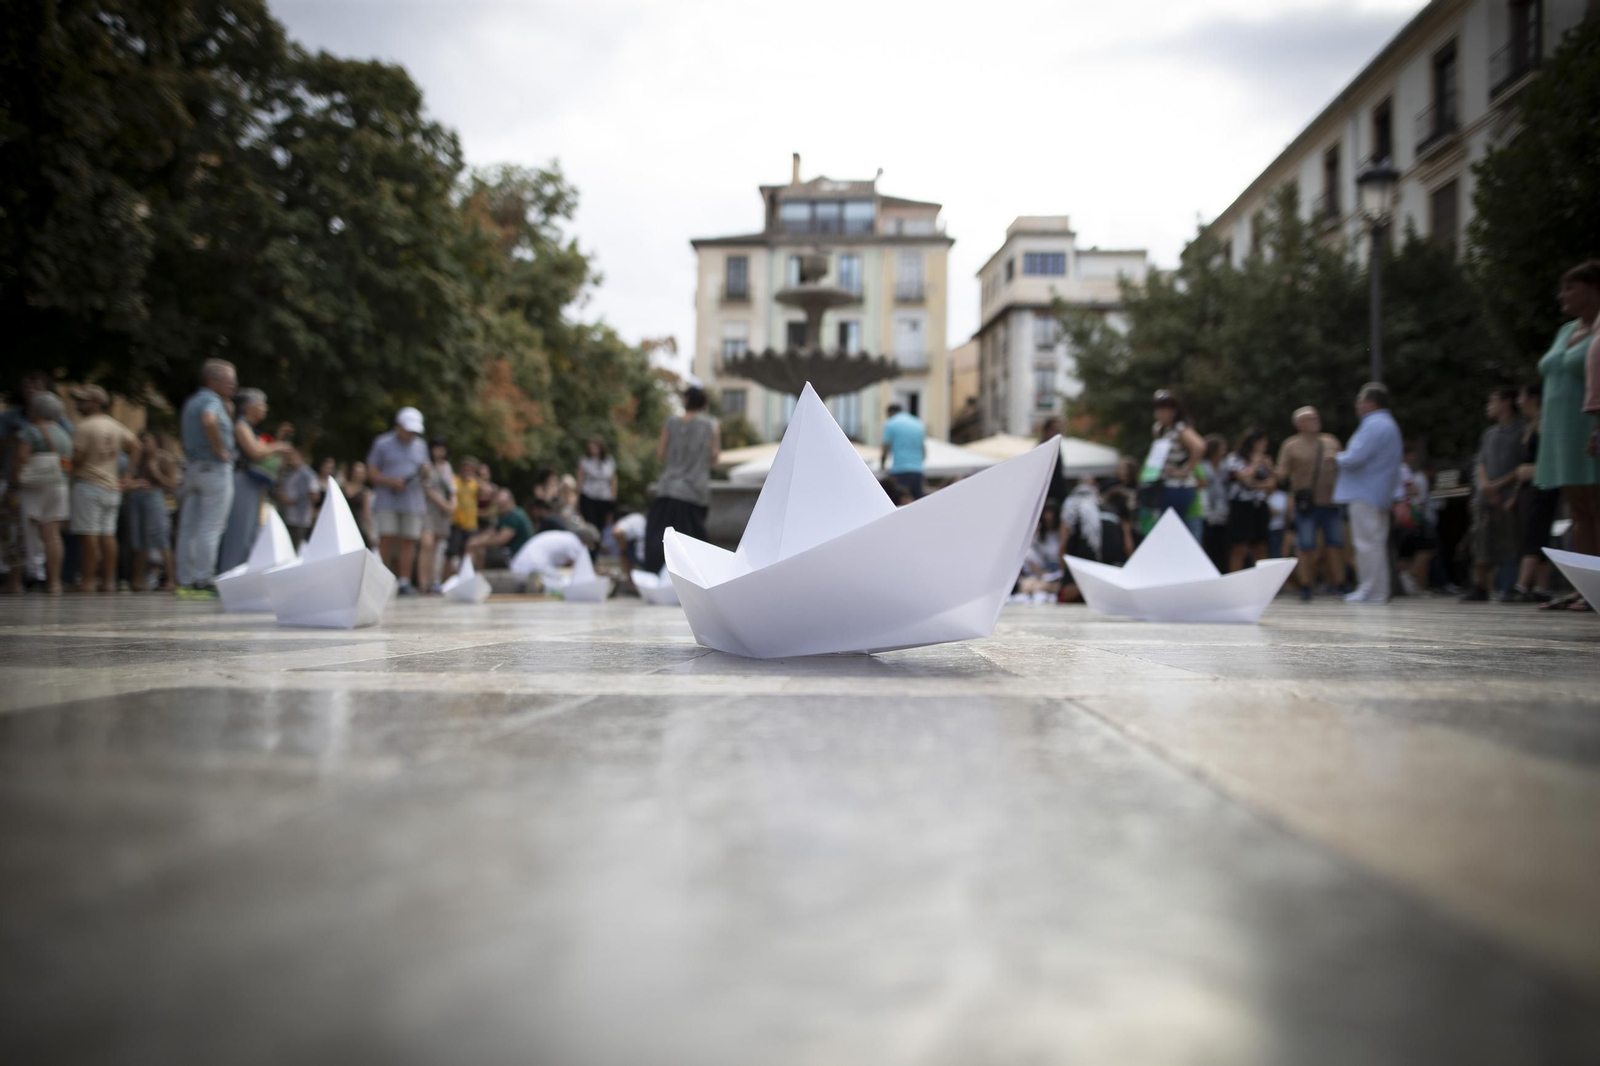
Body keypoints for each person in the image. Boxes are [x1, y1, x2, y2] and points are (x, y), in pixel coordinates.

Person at [1534, 260, 1600, 611]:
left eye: (1570, 288)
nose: (1562, 296)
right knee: (1577, 510)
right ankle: (1586, 587)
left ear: (1594, 288)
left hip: (1587, 424)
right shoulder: (1566, 330)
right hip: (1560, 431)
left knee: (1595, 506)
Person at [1333, 382, 1404, 604]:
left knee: (1366, 544)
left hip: (1364, 492)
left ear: (1370, 402)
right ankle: (1378, 590)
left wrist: (1335, 458)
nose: (1357, 405)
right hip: (1379, 493)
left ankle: (1369, 589)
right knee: (1376, 543)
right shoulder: (1389, 424)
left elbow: (1354, 458)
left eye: (1360, 400)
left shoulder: (1373, 425)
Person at [66, 385, 139, 593]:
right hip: (112, 486)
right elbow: (136, 446)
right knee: (108, 535)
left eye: (83, 400)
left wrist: (69, 465)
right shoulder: (116, 425)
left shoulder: (84, 427)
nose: (78, 404)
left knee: (89, 535)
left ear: (97, 403)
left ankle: (88, 581)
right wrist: (127, 475)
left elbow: (77, 458)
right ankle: (108, 581)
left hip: (89, 484)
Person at [175, 359, 239, 595]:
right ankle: (203, 579)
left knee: (189, 527)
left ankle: (185, 579)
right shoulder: (212, 401)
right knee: (211, 526)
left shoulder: (192, 402)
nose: (233, 386)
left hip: (193, 469)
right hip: (214, 469)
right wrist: (219, 448)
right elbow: (209, 420)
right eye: (229, 381)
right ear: (213, 381)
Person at [216, 389, 295, 574]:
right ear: (248, 407)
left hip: (251, 484)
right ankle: (229, 573)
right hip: (242, 481)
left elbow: (265, 454)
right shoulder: (241, 426)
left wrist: (277, 440)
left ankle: (237, 572)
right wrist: (279, 445)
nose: (264, 408)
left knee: (249, 531)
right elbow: (256, 452)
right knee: (239, 530)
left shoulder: (251, 429)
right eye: (261, 404)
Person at [644, 385, 719, 573]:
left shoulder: (670, 423)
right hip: (695, 491)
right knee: (693, 544)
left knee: (660, 540)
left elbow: (660, 453)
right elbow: (715, 457)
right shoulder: (710, 425)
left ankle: (659, 577)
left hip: (669, 488)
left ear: (686, 400)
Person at [1463, 387, 1525, 602]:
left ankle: (1509, 586)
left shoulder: (1521, 431)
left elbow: (1520, 466)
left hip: (1507, 497)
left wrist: (1499, 486)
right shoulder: (1488, 434)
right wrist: (1485, 486)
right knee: (1481, 542)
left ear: (1506, 402)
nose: (1489, 406)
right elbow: (1480, 463)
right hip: (1485, 497)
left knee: (1509, 542)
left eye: (1493, 401)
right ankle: (1479, 586)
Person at [1276, 406, 1344, 601]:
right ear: (1299, 424)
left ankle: (1339, 584)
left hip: (1331, 502)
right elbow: (1282, 474)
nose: (1315, 420)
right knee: (1306, 546)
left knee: (1335, 544)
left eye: (1315, 416)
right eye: (1309, 418)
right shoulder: (1291, 445)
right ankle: (1306, 586)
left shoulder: (1330, 441)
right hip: (1306, 504)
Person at [9, 391, 73, 593]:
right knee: (52, 535)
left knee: (21, 533)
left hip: (33, 485)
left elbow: (21, 457)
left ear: (36, 410)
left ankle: (15, 582)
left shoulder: (30, 431)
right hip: (58, 485)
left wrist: (13, 482)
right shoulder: (64, 434)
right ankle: (54, 583)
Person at [366, 407, 430, 594]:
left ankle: (404, 581)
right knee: (386, 537)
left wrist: (426, 472)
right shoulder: (382, 443)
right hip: (387, 500)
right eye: (408, 430)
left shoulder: (421, 446)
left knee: (408, 540)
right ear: (399, 426)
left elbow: (426, 475)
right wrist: (390, 482)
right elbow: (371, 472)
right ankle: (382, 578)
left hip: (412, 502)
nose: (411, 434)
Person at [1511, 383, 1559, 602]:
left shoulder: (1545, 422)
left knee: (1534, 533)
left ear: (1533, 398)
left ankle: (1522, 585)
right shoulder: (1529, 425)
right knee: (1533, 534)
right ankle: (1541, 586)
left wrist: (1537, 470)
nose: (1518, 401)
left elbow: (1553, 455)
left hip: (1542, 486)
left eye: (1521, 396)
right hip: (1527, 488)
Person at [1145, 390, 1207, 540]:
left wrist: (1185, 470)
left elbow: (1199, 446)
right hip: (1164, 484)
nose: (1160, 413)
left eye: (1164, 409)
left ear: (1174, 411)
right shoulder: (1160, 429)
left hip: (1179, 486)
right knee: (1166, 530)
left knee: (1175, 530)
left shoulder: (1180, 428)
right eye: (1158, 409)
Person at [125, 429, 176, 592]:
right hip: (137, 497)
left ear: (155, 441)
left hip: (155, 497)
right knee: (139, 541)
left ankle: (171, 579)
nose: (144, 445)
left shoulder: (164, 458)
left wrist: (156, 473)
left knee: (161, 538)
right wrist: (135, 483)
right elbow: (126, 480)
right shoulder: (136, 459)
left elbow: (172, 484)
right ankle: (137, 580)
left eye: (148, 441)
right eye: (141, 441)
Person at [1223, 429, 1274, 573]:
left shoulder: (1265, 460)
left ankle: (1264, 580)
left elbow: (1272, 485)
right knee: (1239, 546)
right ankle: (1235, 579)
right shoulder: (1234, 458)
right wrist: (1254, 465)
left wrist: (1266, 473)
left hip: (1259, 506)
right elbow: (1243, 478)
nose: (1265, 445)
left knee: (1260, 545)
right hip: (1241, 506)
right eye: (1262, 442)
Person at [419, 438, 455, 594]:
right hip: (428, 508)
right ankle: (423, 582)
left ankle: (434, 581)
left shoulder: (447, 467)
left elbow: (452, 488)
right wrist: (442, 502)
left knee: (437, 547)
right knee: (427, 544)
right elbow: (425, 487)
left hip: (443, 512)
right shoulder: (426, 465)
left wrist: (452, 504)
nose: (439, 451)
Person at [466, 488, 532, 571]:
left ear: (511, 502)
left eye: (502, 504)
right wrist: (476, 541)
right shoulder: (505, 515)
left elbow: (501, 540)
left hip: (517, 554)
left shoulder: (514, 516)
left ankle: (479, 573)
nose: (500, 507)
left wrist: (478, 544)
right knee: (478, 547)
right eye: (498, 504)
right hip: (510, 552)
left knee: (482, 550)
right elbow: (492, 532)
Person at [880, 403, 927, 500]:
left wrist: (882, 465)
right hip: (918, 470)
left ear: (891, 413)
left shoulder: (891, 423)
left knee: (900, 501)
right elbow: (923, 449)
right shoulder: (918, 423)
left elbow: (886, 447)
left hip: (900, 470)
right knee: (918, 501)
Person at [1197, 435, 1230, 572]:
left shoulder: (1224, 467)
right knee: (1208, 544)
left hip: (1222, 511)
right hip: (1207, 510)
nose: (1224, 451)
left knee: (1221, 547)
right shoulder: (1202, 466)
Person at [276, 449, 318, 549]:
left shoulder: (309, 475)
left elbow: (314, 495)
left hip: (300, 519)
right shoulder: (286, 472)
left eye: (293, 456)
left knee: (296, 548)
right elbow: (278, 486)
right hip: (285, 516)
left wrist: (295, 500)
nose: (290, 459)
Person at [446, 456, 479, 580]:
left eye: (470, 469)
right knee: (451, 554)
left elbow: (488, 491)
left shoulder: (474, 483)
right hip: (457, 523)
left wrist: (476, 478)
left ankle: (469, 578)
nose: (467, 472)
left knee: (470, 553)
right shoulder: (454, 481)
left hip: (471, 524)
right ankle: (447, 579)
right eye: (466, 469)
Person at [576, 438, 617, 534]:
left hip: (604, 496)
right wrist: (577, 496)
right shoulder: (585, 461)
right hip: (589, 495)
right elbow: (580, 478)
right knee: (591, 522)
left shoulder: (608, 461)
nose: (593, 449)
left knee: (603, 523)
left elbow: (613, 480)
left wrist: (613, 497)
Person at [340, 461, 375, 547]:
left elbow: (366, 513)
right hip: (342, 523)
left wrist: (370, 531)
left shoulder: (365, 492)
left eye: (362, 473)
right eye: (357, 472)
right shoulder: (342, 488)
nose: (359, 475)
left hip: (357, 525)